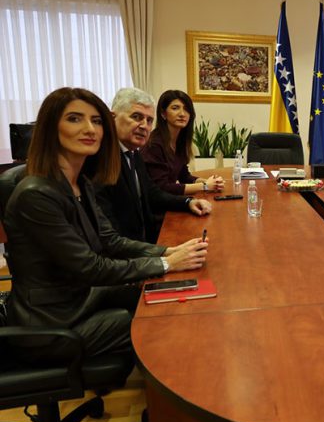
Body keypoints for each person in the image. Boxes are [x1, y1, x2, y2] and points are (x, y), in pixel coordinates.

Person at [3, 87, 208, 363]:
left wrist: (168, 252)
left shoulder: (79, 183)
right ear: (50, 128)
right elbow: (91, 267)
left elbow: (110, 240)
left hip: (78, 298)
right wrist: (167, 264)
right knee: (160, 317)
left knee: (165, 292)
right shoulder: (36, 195)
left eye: (96, 121)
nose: (90, 129)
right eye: (74, 119)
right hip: (52, 323)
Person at [96, 88, 213, 243]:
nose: (144, 126)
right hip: (130, 249)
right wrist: (163, 253)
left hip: (144, 240)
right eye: (136, 117)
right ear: (112, 118)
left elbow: (152, 193)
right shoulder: (101, 160)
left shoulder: (133, 153)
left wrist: (188, 202)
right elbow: (110, 237)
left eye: (149, 120)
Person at [142, 89, 224, 196]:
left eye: (186, 109)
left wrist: (211, 182)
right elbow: (162, 187)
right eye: (175, 108)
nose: (182, 114)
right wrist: (205, 186)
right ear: (163, 114)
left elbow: (184, 176)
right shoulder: (154, 144)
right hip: (156, 204)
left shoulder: (180, 141)